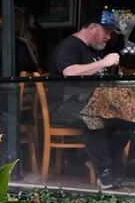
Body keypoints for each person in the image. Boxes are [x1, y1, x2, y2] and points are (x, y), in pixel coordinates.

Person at [48, 12, 127, 188]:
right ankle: (104, 172)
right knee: (95, 115)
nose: (109, 36)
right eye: (106, 31)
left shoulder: (95, 48)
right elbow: (69, 72)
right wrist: (103, 63)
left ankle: (101, 162)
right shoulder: (69, 47)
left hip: (89, 103)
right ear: (92, 28)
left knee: (127, 117)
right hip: (63, 106)